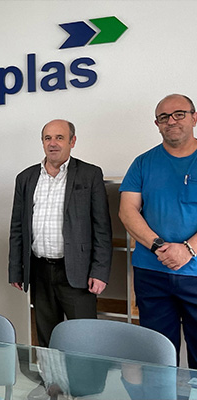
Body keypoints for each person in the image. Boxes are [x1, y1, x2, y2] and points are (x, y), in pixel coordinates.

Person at [8, 119, 112, 347]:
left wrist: (100, 271)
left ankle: (83, 373)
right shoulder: (26, 178)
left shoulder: (90, 174)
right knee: (47, 338)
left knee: (84, 340)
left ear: (72, 141)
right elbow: (17, 227)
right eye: (48, 138)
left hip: (77, 272)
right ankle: (50, 372)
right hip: (39, 270)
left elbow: (102, 227)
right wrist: (16, 268)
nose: (53, 143)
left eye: (59, 138)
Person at [119, 94, 197, 368]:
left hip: (195, 272)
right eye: (164, 117)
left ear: (194, 117)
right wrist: (158, 246)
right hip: (151, 273)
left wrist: (188, 249)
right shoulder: (143, 162)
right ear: (157, 124)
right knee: (157, 357)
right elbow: (127, 210)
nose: (171, 121)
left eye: (179, 114)